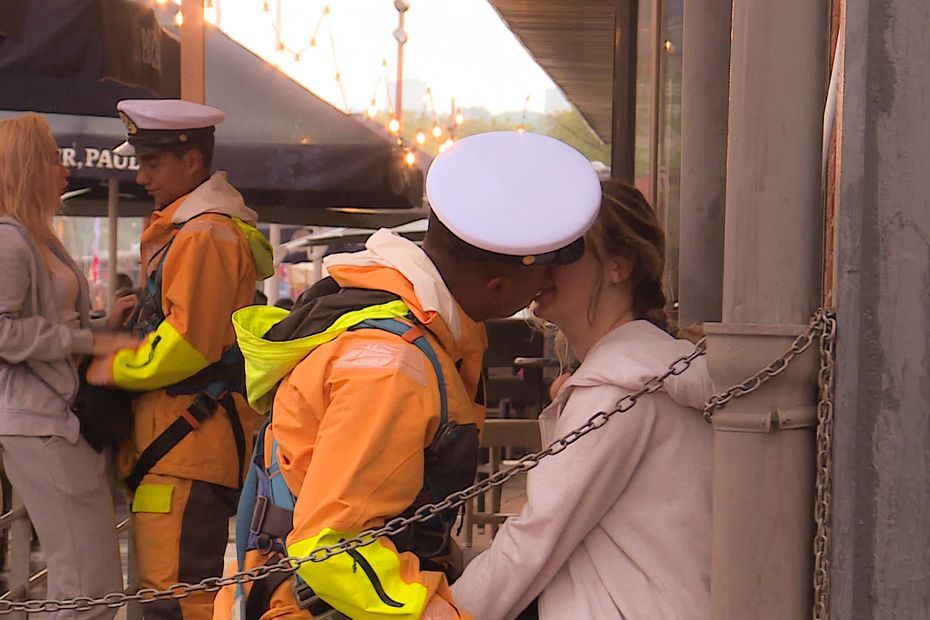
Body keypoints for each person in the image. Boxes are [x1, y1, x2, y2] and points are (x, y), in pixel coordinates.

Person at [216, 131, 602, 620]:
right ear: (498, 285)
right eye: (539, 280)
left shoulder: (405, 322)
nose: (544, 291)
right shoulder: (392, 365)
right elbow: (329, 548)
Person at [450, 181, 715, 619]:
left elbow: (534, 541)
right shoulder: (644, 371)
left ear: (618, 266)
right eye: (537, 253)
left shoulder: (617, 391)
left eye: (565, 253)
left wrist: (440, 612)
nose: (538, 270)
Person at [86, 99, 274, 620]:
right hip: (178, 443)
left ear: (192, 162)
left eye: (152, 163)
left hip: (186, 445)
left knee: (175, 598)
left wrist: (112, 367)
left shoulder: (203, 234)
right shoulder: (190, 230)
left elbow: (190, 342)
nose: (141, 176)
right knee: (165, 593)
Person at [0, 113, 139, 619]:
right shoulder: (11, 240)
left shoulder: (39, 238)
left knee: (83, 579)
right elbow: (4, 331)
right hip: (42, 422)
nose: (64, 171)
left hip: (57, 418)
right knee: (90, 583)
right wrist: (92, 340)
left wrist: (102, 323)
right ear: (29, 166)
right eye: (55, 159)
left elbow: (46, 320)